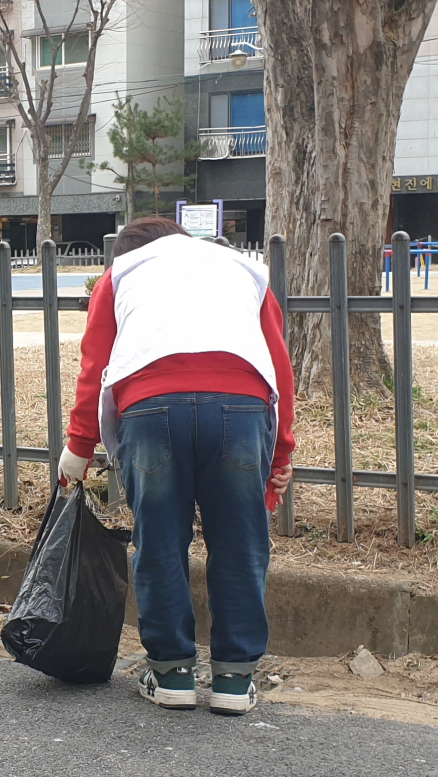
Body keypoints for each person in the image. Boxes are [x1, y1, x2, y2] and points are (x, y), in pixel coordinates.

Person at [60, 216, 295, 715]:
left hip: (151, 407)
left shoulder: (121, 274)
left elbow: (95, 364)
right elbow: (279, 365)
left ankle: (171, 673)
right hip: (241, 404)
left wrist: (79, 445)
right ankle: (234, 679)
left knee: (160, 542)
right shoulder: (242, 268)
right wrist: (281, 453)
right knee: (240, 543)